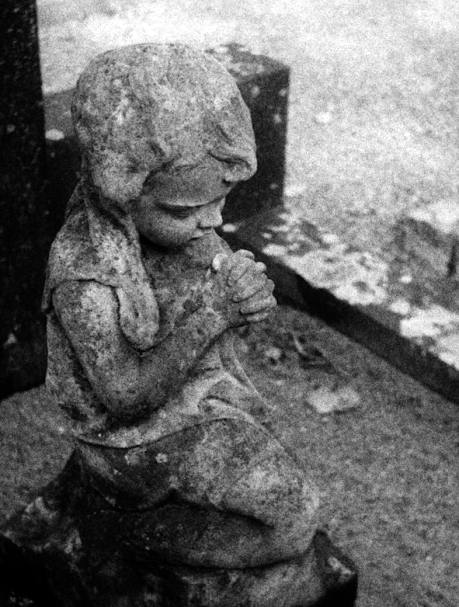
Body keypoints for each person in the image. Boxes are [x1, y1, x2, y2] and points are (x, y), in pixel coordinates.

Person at [42, 43, 319, 570]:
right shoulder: (85, 272)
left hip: (195, 402)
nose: (213, 221)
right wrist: (213, 315)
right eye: (185, 209)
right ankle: (130, 543)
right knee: (294, 517)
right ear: (123, 194)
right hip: (135, 442)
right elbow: (125, 396)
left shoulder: (185, 230)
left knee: (287, 485)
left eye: (221, 200)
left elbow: (219, 292)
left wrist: (244, 293)